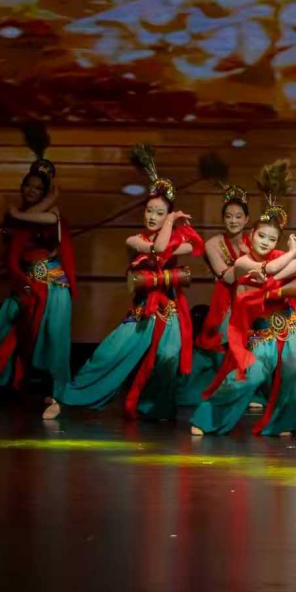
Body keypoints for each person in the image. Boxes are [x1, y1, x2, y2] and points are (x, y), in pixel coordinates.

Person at [59, 145, 203, 420]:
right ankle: (71, 395)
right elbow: (158, 250)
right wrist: (171, 221)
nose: (152, 217)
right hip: (142, 311)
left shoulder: (179, 241)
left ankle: (155, 409)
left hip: (170, 311)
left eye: (160, 213)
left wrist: (172, 224)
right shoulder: (134, 241)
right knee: (108, 354)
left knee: (168, 357)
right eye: (149, 210)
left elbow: (186, 247)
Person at [0, 124, 76, 420]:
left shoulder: (51, 214)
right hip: (25, 283)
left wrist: (46, 201)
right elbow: (14, 237)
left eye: (39, 188)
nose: (31, 191)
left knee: (55, 341)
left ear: (46, 193)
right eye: (29, 186)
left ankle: (58, 394)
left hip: (54, 287)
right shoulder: (15, 215)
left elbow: (29, 218)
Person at [191, 160, 296, 436]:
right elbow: (272, 270)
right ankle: (208, 418)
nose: (266, 242)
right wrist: (285, 263)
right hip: (261, 331)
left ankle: (286, 424)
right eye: (261, 236)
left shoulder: (281, 257)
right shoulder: (243, 262)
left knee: (294, 370)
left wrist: (278, 272)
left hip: (292, 323)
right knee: (247, 376)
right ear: (251, 235)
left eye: (272, 239)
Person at [177, 153, 252, 408]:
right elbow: (228, 276)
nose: (233, 220)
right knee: (221, 344)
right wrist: (250, 260)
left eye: (238, 216)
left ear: (246, 220)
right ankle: (221, 389)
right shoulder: (213, 244)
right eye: (229, 216)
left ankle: (248, 391)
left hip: (250, 301)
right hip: (226, 302)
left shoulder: (255, 240)